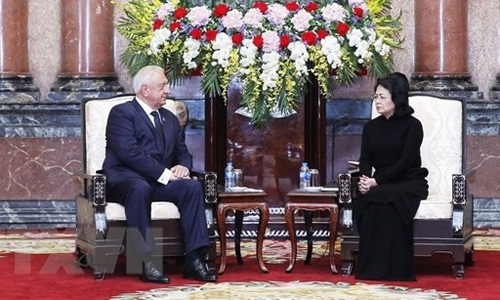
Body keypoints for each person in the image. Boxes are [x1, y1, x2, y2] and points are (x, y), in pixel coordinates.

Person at [102, 65, 216, 283]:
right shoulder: (122, 113)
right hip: (125, 180)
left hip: (157, 181)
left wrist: (183, 166)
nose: (168, 90)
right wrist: (164, 173)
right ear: (145, 90)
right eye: (162, 86)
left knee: (192, 187)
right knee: (139, 187)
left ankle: (194, 258)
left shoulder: (169, 118)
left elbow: (182, 152)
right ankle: (145, 261)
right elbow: (129, 153)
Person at [353, 72, 429, 281]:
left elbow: (406, 162)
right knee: (367, 196)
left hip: (408, 180)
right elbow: (365, 159)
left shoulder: (413, 126)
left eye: (382, 97)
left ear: (397, 98)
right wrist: (364, 179)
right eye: (375, 97)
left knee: (386, 193)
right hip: (378, 180)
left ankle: (397, 269)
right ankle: (370, 268)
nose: (377, 101)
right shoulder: (370, 127)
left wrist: (376, 181)